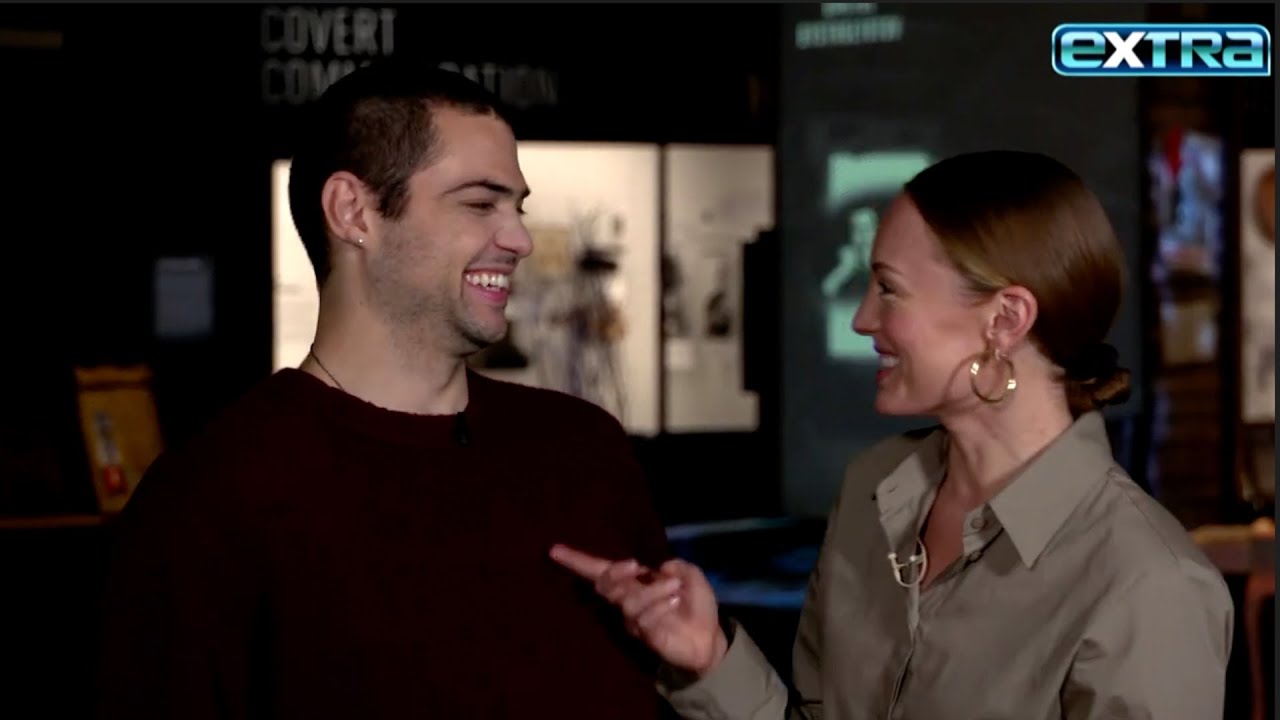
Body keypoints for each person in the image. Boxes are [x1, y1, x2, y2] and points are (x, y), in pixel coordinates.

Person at [552, 150, 1235, 719]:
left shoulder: (1149, 584)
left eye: (889, 289)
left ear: (1005, 319)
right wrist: (709, 658)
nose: (862, 319)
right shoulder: (874, 489)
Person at [96, 59, 670, 719]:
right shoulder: (213, 498)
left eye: (517, 207)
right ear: (353, 211)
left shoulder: (584, 448)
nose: (518, 239)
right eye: (479, 203)